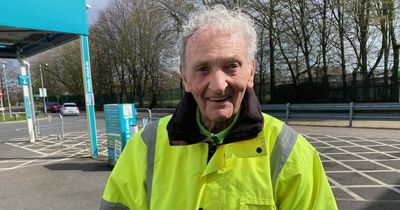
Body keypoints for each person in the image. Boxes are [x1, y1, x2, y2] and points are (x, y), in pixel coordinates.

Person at [101, 5, 337, 210]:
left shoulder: (291, 153)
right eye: (202, 68)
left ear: (251, 72)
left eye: (231, 66)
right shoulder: (144, 148)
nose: (218, 85)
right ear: (184, 77)